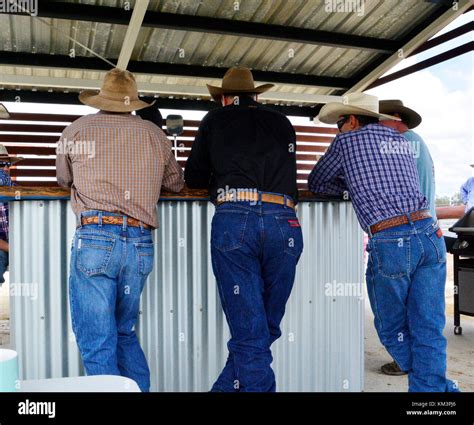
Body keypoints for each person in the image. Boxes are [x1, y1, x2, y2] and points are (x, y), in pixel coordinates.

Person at [308, 92, 458, 392]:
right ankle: (435, 393)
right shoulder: (401, 142)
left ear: (351, 120)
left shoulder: (346, 142)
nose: (338, 131)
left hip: (391, 240)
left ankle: (436, 389)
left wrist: (348, 184)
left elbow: (317, 182)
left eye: (339, 124)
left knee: (392, 330)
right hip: (429, 234)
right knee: (428, 328)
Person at [56, 68, 184, 392]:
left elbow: (62, 179)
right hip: (140, 243)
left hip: (97, 238)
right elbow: (176, 184)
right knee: (124, 332)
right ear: (134, 101)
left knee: (98, 340)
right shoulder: (156, 135)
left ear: (100, 98)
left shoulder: (75, 131)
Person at [185, 67, 303, 392]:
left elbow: (193, 177)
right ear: (258, 96)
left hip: (236, 221)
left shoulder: (215, 120)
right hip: (285, 223)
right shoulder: (282, 122)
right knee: (262, 331)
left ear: (223, 98)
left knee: (252, 335)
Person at [378, 99, 435, 376]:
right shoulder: (417, 142)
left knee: (389, 306)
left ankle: (404, 360)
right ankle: (423, 366)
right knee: (422, 309)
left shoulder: (396, 143)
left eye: (376, 121)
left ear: (393, 118)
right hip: (429, 232)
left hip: (403, 234)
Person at [0, 135, 24, 287]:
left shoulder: (17, 190)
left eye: (8, 164)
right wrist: (12, 248)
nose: (6, 168)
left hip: (21, 244)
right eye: (1, 164)